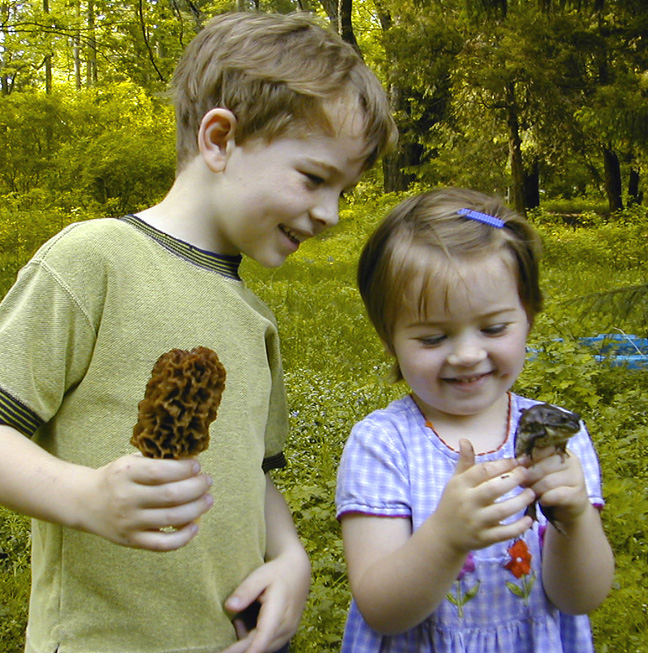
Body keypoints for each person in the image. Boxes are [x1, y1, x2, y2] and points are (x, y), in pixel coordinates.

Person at [0, 11, 396, 653]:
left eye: (344, 190)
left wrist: (291, 555)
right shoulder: (93, 260)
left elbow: (255, 472)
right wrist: (87, 497)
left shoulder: (254, 318)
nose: (330, 213)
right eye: (316, 178)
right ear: (219, 139)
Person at [335, 188, 614, 652]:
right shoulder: (382, 444)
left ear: (528, 318)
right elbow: (382, 611)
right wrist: (445, 539)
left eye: (493, 328)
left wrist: (576, 518)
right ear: (390, 341)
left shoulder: (557, 435)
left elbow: (580, 597)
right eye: (432, 338)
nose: (467, 355)